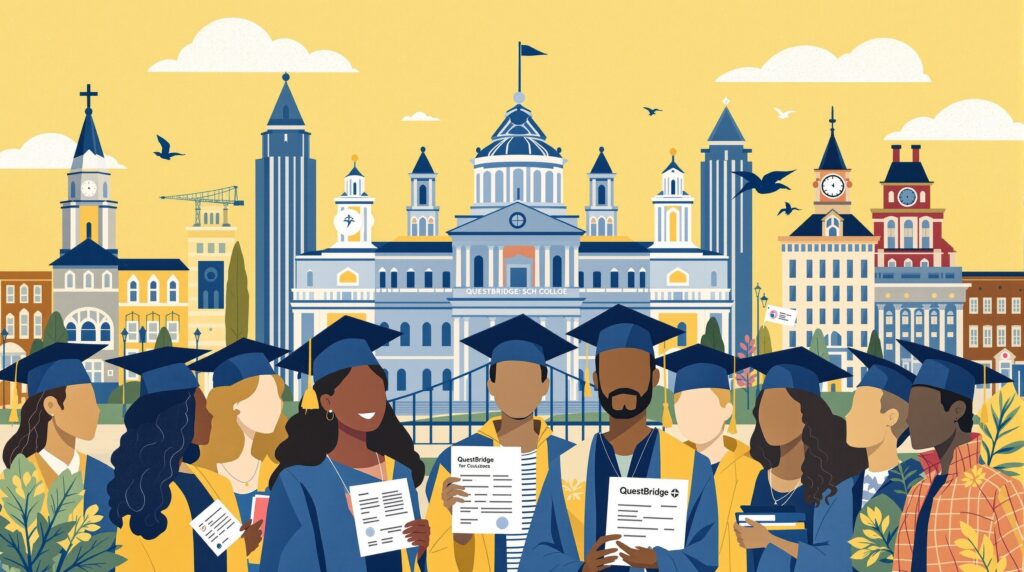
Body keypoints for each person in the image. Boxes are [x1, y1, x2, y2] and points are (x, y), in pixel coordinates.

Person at [521, 304, 718, 572]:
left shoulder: (693, 467)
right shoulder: (566, 467)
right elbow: (535, 556)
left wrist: (661, 561)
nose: (623, 381)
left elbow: (705, 556)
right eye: (613, 372)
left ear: (654, 377)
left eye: (634, 370)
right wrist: (580, 568)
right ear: (597, 380)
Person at [261, 316, 429, 572]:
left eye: (376, 390)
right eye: (356, 391)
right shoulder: (298, 480)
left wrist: (420, 550)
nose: (370, 402)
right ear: (327, 402)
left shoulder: (399, 472)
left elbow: (409, 564)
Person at [425, 314, 576, 572]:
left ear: (545, 386)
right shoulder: (456, 460)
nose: (517, 389)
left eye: (528, 380)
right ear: (491, 385)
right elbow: (435, 557)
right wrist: (460, 531)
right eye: (507, 380)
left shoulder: (571, 459)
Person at [107, 346, 258, 572]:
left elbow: (222, 554)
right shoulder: (140, 491)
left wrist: (240, 546)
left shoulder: (216, 485)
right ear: (180, 417)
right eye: (203, 407)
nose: (210, 414)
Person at [892, 340, 1024, 572]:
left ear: (956, 411)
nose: (910, 420)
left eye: (921, 409)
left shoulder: (998, 490)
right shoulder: (916, 493)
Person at [734, 347, 866, 571]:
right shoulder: (762, 479)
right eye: (765, 408)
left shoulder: (833, 483)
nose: (769, 418)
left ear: (807, 415)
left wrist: (770, 540)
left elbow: (837, 561)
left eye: (781, 409)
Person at [192, 338, 289, 572]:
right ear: (234, 404)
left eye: (277, 396)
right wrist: (237, 551)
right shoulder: (202, 475)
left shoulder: (279, 469)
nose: (276, 405)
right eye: (264, 397)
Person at [665, 343, 761, 572]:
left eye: (702, 406)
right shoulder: (667, 468)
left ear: (727, 410)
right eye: (684, 407)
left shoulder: (752, 471)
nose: (693, 417)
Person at [0, 342, 114, 532]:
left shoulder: (107, 478)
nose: (96, 411)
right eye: (85, 402)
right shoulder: (12, 485)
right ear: (51, 406)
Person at [844, 349, 923, 538]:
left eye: (859, 409)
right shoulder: (846, 486)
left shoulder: (916, 485)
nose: (848, 416)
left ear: (891, 418)